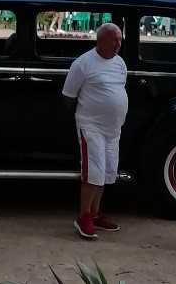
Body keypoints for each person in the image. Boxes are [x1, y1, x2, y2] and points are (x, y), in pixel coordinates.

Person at [62, 22, 127, 240]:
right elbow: (69, 95)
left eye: (120, 39)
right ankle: (84, 216)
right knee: (93, 173)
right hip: (91, 126)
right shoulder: (83, 64)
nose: (119, 44)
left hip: (113, 128)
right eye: (114, 39)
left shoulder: (120, 63)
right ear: (101, 40)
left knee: (107, 173)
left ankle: (96, 213)